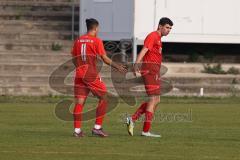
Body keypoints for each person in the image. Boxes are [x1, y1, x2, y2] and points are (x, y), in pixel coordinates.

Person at [71, 18, 127, 138]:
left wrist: (80, 68)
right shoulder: (96, 41)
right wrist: (117, 66)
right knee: (105, 98)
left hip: (79, 75)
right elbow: (105, 59)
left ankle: (77, 130)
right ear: (96, 28)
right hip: (90, 74)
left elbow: (74, 57)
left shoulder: (78, 40)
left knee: (80, 102)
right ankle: (97, 128)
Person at [127, 17, 173, 138]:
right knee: (153, 100)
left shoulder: (159, 38)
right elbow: (144, 50)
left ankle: (132, 119)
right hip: (149, 71)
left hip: (154, 72)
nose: (169, 30)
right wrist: (136, 64)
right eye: (167, 27)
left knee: (156, 100)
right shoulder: (153, 36)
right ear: (160, 26)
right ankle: (145, 130)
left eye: (170, 28)